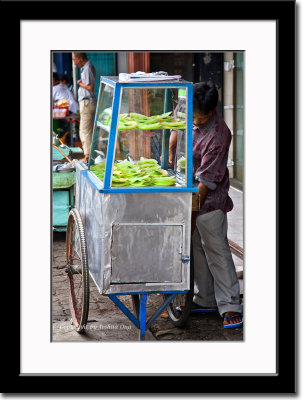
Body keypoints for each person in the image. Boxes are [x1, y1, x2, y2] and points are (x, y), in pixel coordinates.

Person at [191, 81, 243, 329]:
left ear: (212, 111)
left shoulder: (219, 135)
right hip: (189, 195)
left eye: (200, 119)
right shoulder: (190, 113)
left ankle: (231, 304)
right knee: (198, 251)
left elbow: (207, 181)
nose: (195, 122)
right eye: (193, 116)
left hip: (208, 202)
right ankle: (205, 299)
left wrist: (192, 212)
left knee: (218, 253)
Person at [72, 52, 97, 162]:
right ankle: (89, 155)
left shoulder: (87, 68)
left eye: (74, 59)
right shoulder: (86, 68)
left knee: (84, 130)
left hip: (87, 102)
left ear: (80, 58)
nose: (74, 62)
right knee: (87, 130)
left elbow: (90, 87)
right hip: (87, 102)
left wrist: (79, 83)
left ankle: (87, 156)